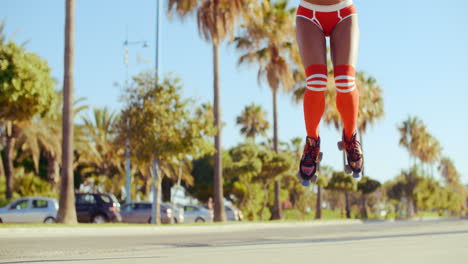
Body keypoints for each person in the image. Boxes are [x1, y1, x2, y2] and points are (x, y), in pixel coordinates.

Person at [295, 0, 363, 185]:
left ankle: (350, 138)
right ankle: (312, 143)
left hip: (344, 13)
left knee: (345, 80)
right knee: (316, 81)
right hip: (308, 15)